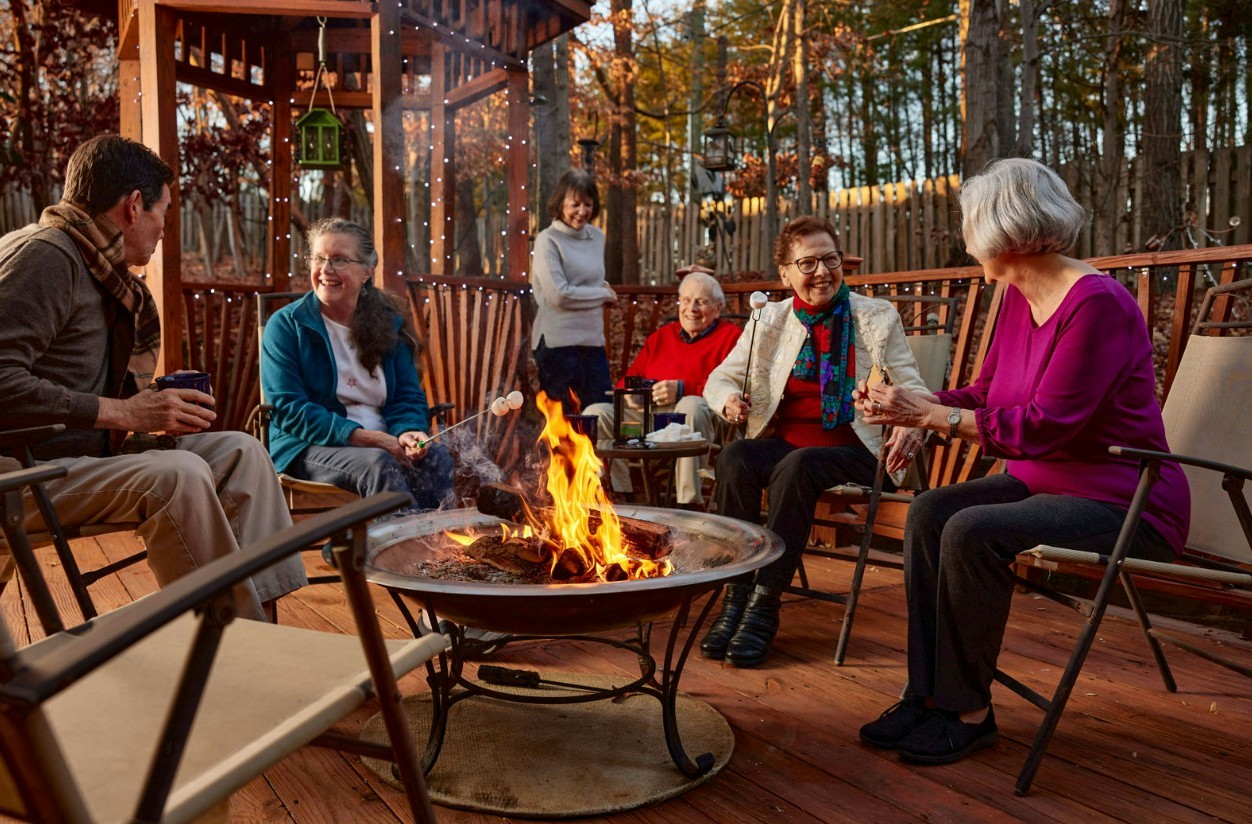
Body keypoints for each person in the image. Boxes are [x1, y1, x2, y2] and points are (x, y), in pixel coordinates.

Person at [856, 158, 1190, 765]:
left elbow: (1043, 427)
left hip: (1123, 500)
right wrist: (915, 408)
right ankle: (926, 693)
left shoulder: (1098, 306)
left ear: (1000, 233)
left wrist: (930, 419)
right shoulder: (1015, 296)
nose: (963, 238)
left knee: (972, 529)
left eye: (967, 224)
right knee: (931, 510)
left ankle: (968, 712)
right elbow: (987, 395)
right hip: (1038, 485)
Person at [0, 134, 306, 621]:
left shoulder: (98, 270)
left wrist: (150, 406)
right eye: (164, 211)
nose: (165, 228)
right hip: (21, 471)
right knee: (176, 475)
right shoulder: (47, 258)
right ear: (133, 205)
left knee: (243, 452)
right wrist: (122, 411)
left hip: (78, 457)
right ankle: (232, 650)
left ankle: (265, 627)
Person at [700, 215, 929, 668]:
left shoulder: (876, 317)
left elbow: (915, 388)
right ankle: (735, 593)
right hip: (789, 443)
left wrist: (910, 416)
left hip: (858, 448)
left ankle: (764, 605)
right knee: (736, 456)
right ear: (785, 273)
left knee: (799, 465)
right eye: (807, 263)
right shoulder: (769, 319)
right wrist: (728, 400)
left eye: (830, 259)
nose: (822, 271)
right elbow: (720, 376)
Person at [260, 218, 454, 513]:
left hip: (386, 441)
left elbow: (407, 396)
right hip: (308, 446)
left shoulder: (389, 324)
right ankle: (404, 554)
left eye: (339, 260)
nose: (325, 270)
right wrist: (367, 439)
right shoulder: (287, 325)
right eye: (319, 258)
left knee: (437, 459)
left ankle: (435, 550)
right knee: (381, 465)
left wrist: (409, 430)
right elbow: (289, 409)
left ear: (366, 272)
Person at [584, 270, 740, 506]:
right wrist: (634, 394)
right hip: (651, 418)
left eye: (701, 301)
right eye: (686, 300)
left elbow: (735, 386)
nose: (691, 308)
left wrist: (682, 388)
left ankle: (689, 504)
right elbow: (627, 381)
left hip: (701, 417)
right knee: (596, 413)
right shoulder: (662, 336)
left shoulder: (731, 338)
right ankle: (618, 497)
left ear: (718, 308)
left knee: (690, 405)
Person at [530, 169, 617, 410]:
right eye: (575, 204)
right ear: (560, 203)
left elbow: (589, 281)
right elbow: (558, 295)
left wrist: (602, 290)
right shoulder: (547, 240)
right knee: (564, 426)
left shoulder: (597, 237)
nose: (582, 211)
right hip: (558, 345)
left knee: (602, 414)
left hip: (592, 342)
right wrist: (602, 295)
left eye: (588, 204)